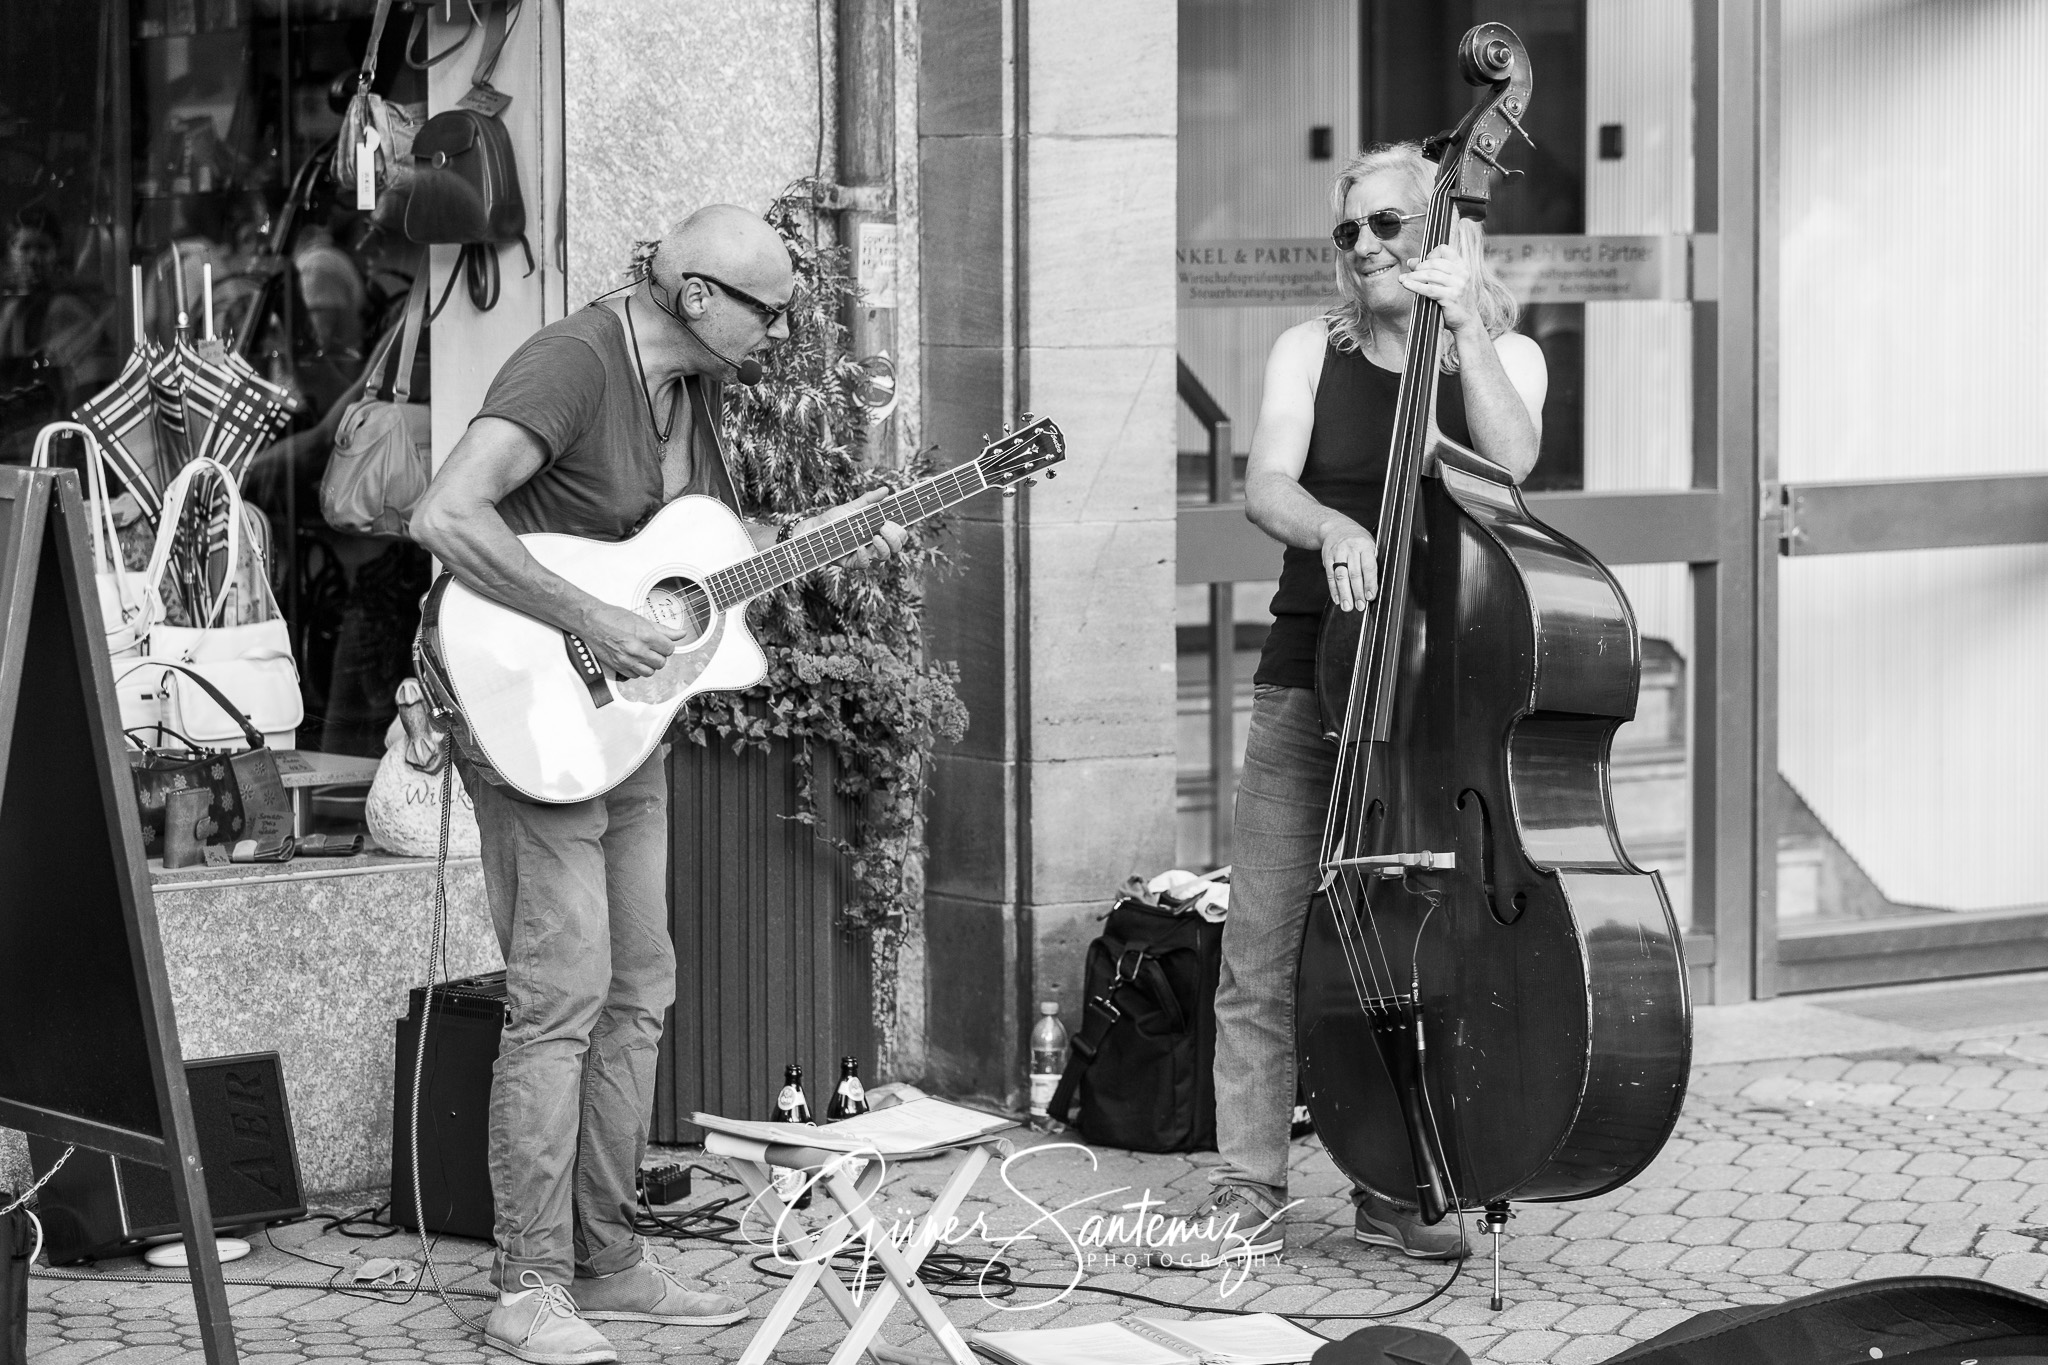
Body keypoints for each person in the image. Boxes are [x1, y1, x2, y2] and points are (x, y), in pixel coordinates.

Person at [409, 204, 906, 1365]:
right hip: (523, 704)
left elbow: (682, 561)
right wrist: (588, 618)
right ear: (693, 295)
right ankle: (527, 1285)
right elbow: (444, 512)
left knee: (640, 987)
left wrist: (831, 535)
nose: (781, 332)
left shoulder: (690, 393)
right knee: (562, 994)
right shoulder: (573, 363)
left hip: (620, 724)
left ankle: (606, 1256)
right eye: (766, 309)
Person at [1170, 144, 1547, 1267]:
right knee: (1264, 939)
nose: (1366, 249)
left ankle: (1397, 1172)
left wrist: (1463, 332)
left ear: (1441, 233)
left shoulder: (1505, 351)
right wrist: (1336, 528)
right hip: (1314, 670)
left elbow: (1512, 462)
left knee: (1423, 946)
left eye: (1388, 226)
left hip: (1444, 701)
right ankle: (1247, 1180)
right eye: (1350, 233)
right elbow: (1265, 484)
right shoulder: (1306, 350)